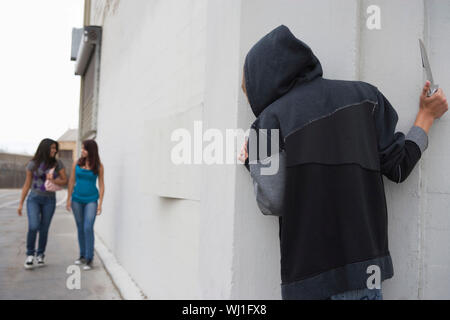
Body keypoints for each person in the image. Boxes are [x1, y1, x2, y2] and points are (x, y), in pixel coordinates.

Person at [239, 25, 448, 300]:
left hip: (308, 283)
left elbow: (273, 201)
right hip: (365, 276)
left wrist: (251, 162)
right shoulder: (365, 98)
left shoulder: (267, 123)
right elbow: (398, 167)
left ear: (262, 79)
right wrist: (426, 116)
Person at [17, 138, 68, 269]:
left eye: (55, 148)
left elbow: (64, 181)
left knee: (44, 229)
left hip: (49, 200)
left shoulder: (57, 163)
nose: (54, 150)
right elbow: (27, 184)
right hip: (33, 199)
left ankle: (40, 255)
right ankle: (30, 255)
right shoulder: (33, 164)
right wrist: (21, 203)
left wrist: (54, 180)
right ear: (45, 148)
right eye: (52, 148)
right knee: (33, 226)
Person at [66, 139, 104, 270]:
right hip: (76, 199)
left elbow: (102, 184)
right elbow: (71, 181)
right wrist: (68, 198)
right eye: (82, 148)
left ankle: (89, 258)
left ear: (91, 150)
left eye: (84, 148)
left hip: (91, 200)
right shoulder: (76, 163)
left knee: (88, 227)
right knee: (80, 227)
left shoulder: (98, 166)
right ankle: (82, 255)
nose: (82, 151)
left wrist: (100, 203)